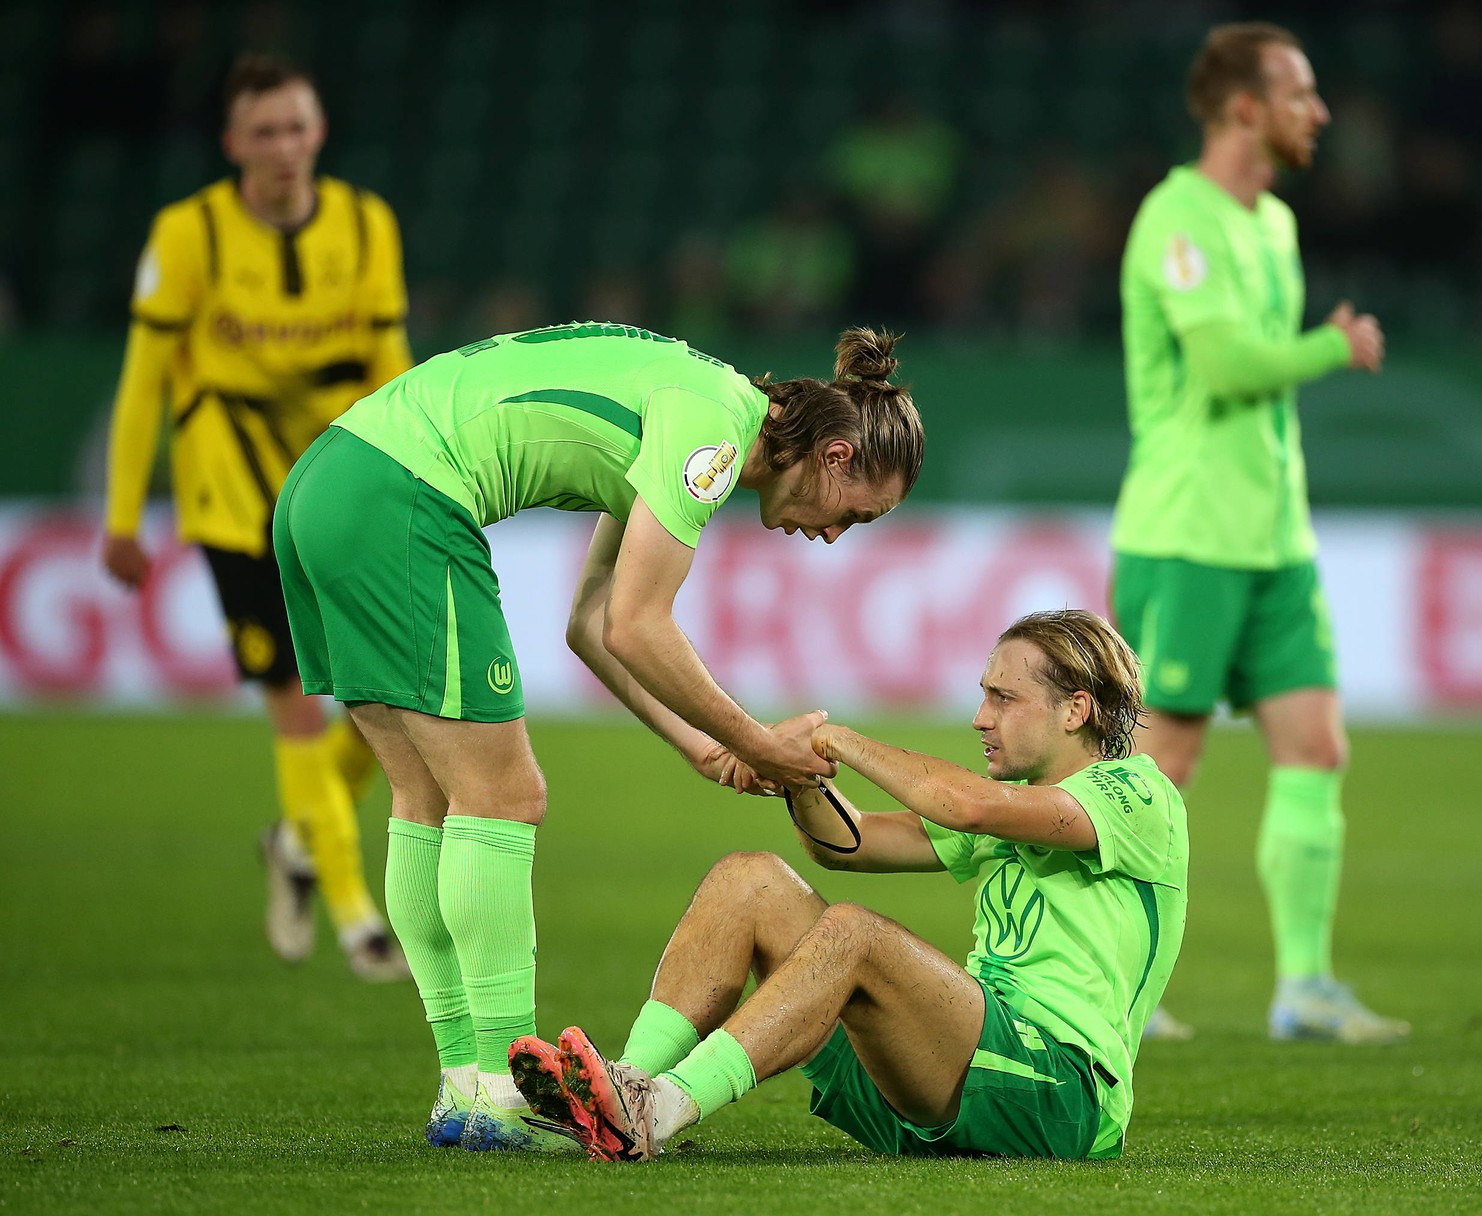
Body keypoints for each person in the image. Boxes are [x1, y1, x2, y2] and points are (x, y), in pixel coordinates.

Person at [272, 320, 924, 1153]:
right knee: (505, 797)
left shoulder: (705, 398)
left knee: (426, 798)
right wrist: (761, 743)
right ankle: (504, 1095)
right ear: (834, 457)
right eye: (854, 516)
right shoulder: (716, 440)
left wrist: (700, 745)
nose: (834, 536)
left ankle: (465, 1091)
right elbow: (638, 626)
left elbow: (590, 623)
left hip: (327, 480)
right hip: (404, 496)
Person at [507, 608, 1187, 1163]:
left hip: (1059, 1092)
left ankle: (659, 1112)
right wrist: (798, 774)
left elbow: (967, 806)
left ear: (1075, 710)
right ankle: (622, 1088)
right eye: (984, 694)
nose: (981, 716)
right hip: (954, 1069)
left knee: (857, 935)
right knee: (751, 880)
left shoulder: (1135, 792)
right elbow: (851, 843)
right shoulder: (1015, 799)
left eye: (1003, 697)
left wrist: (837, 741)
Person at [1109, 23, 1407, 1044]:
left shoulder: (1273, 223)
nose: (1318, 113)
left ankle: (1306, 989)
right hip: (1188, 530)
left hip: (1277, 537)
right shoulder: (1174, 220)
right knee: (1158, 766)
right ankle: (1111, 982)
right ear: (1244, 107)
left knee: (1318, 745)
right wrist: (1333, 343)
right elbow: (1229, 367)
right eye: (1300, 94)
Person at [101, 52, 412, 981]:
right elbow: (145, 381)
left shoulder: (365, 226)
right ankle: (357, 916)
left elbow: (390, 367)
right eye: (264, 131)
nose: (284, 147)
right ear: (234, 143)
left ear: (320, 133)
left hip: (337, 488)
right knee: (292, 703)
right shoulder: (188, 233)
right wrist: (123, 516)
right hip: (231, 494)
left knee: (381, 697)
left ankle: (295, 840)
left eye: (298, 127)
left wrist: (420, 484)